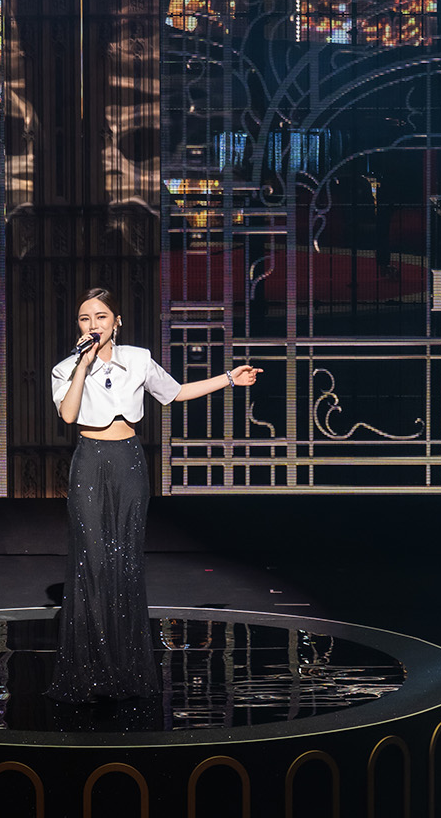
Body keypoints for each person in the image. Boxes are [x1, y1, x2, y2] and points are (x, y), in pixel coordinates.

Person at [47, 286, 261, 703]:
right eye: (85, 319)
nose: (93, 325)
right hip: (89, 461)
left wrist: (230, 378)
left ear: (117, 321)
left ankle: (127, 670)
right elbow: (69, 415)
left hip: (128, 461)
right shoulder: (65, 368)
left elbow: (175, 393)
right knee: (93, 559)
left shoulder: (139, 359)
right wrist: (81, 365)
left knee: (125, 559)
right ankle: (91, 668)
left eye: (101, 317)